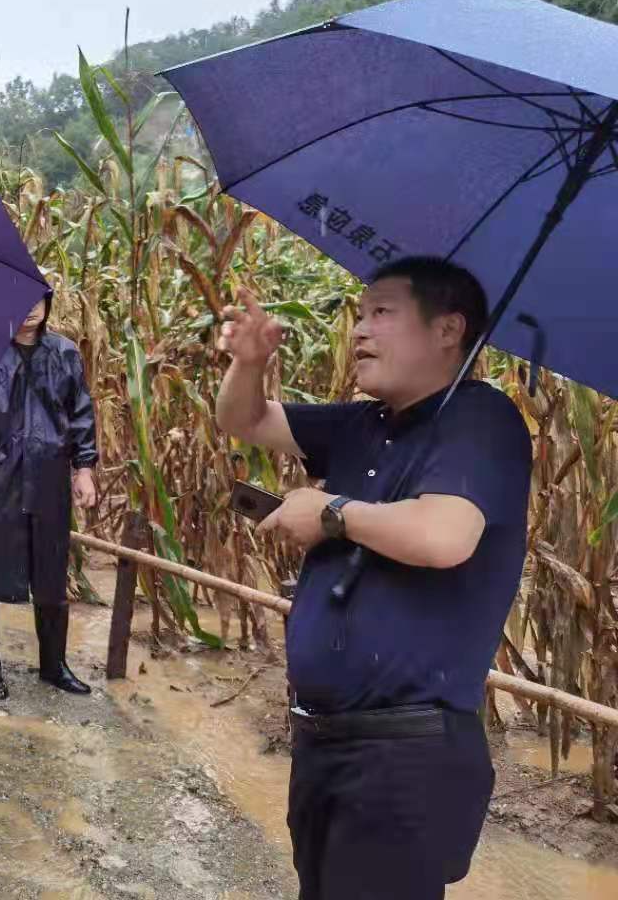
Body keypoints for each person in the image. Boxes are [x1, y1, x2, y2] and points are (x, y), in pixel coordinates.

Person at [215, 255, 532, 900]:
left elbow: (444, 536)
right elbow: (244, 421)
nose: (359, 331)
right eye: (359, 315)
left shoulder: (481, 422)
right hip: (325, 742)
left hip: (404, 757)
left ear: (448, 330)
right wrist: (247, 364)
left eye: (381, 312)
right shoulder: (363, 424)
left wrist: (330, 512)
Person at [0, 291, 98, 700]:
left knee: (51, 571)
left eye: (37, 301)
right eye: (19, 300)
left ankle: (54, 665)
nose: (29, 309)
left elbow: (82, 414)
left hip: (50, 477)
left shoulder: (64, 353)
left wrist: (84, 469)